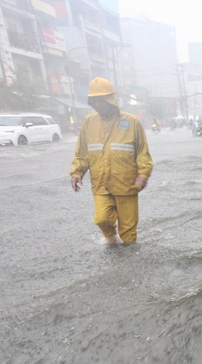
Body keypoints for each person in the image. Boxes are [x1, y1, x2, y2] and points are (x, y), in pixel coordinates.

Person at [70, 77, 153, 245]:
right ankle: (111, 242)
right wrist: (77, 172)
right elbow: (82, 152)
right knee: (101, 219)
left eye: (101, 100)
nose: (98, 105)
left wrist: (143, 174)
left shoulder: (131, 122)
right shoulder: (88, 123)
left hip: (126, 184)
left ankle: (129, 264)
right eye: (95, 101)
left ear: (110, 100)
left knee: (129, 233)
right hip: (101, 184)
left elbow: (143, 152)